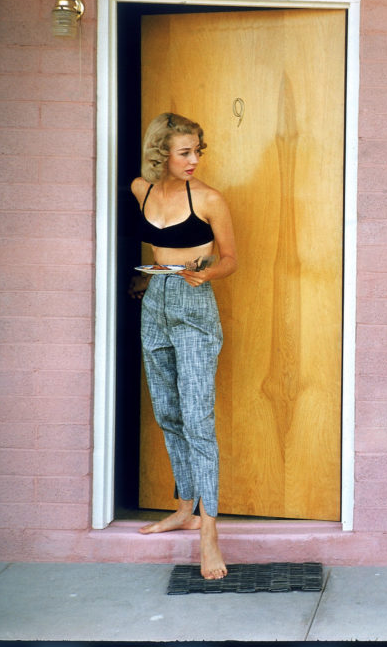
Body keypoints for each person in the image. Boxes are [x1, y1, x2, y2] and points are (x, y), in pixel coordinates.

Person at [129, 112, 237, 578]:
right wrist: (143, 280)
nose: (194, 160)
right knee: (167, 411)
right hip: (155, 301)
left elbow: (230, 258)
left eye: (198, 151)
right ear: (161, 155)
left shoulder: (210, 199)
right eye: (184, 152)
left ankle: (209, 532)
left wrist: (207, 272)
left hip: (194, 306)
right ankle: (184, 508)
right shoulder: (142, 189)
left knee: (197, 417)